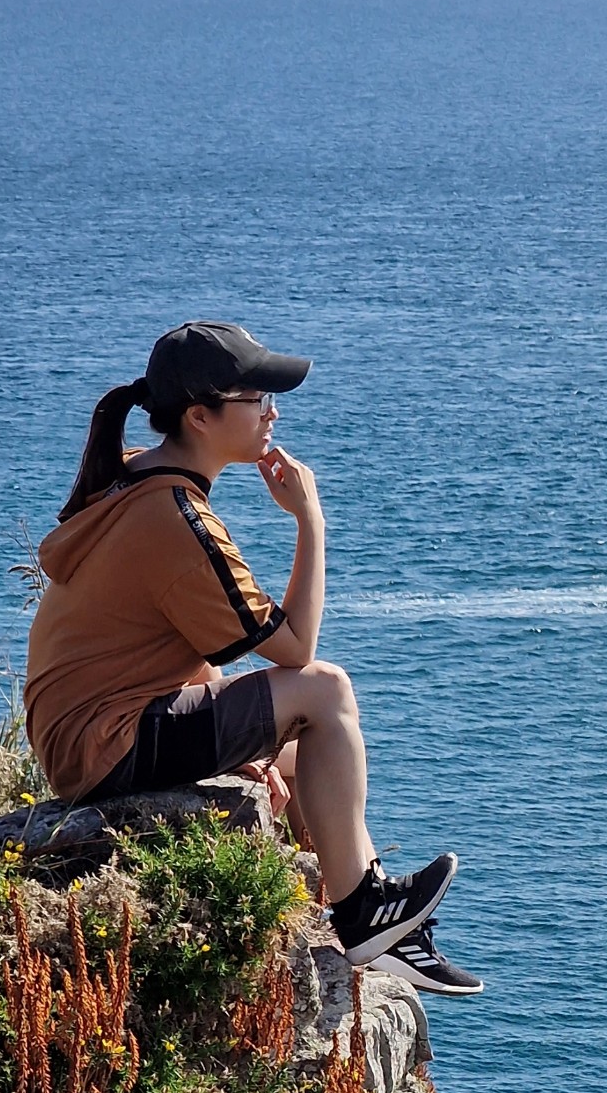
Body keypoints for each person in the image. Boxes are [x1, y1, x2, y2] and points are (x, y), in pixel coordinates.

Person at [24, 319, 480, 997]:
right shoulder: (176, 518)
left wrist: (241, 744)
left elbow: (162, 642)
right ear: (201, 416)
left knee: (301, 760)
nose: (273, 410)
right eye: (256, 397)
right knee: (325, 694)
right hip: (104, 741)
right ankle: (363, 913)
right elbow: (297, 649)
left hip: (86, 728)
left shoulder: (138, 480)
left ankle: (370, 924)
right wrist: (310, 519)